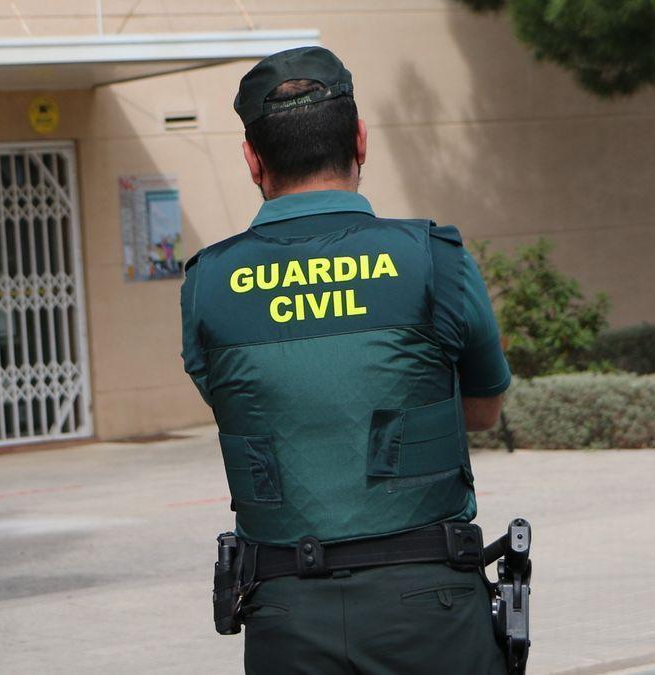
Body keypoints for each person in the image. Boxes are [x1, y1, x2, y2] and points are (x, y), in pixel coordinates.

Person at [180, 46, 512, 674]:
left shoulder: (208, 284)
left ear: (252, 159)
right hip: (430, 607)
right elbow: (485, 408)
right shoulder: (433, 258)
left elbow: (251, 403)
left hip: (286, 614)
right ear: (361, 139)